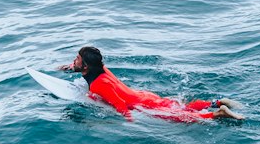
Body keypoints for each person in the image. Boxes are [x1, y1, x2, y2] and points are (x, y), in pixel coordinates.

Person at [62, 47, 244, 121]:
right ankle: (217, 102)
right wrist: (68, 68)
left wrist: (131, 123)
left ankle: (218, 113)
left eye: (77, 59)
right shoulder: (102, 70)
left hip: (142, 104)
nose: (74, 60)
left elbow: (121, 105)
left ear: (85, 66)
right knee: (182, 107)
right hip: (145, 95)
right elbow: (90, 67)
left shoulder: (98, 85)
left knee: (181, 118)